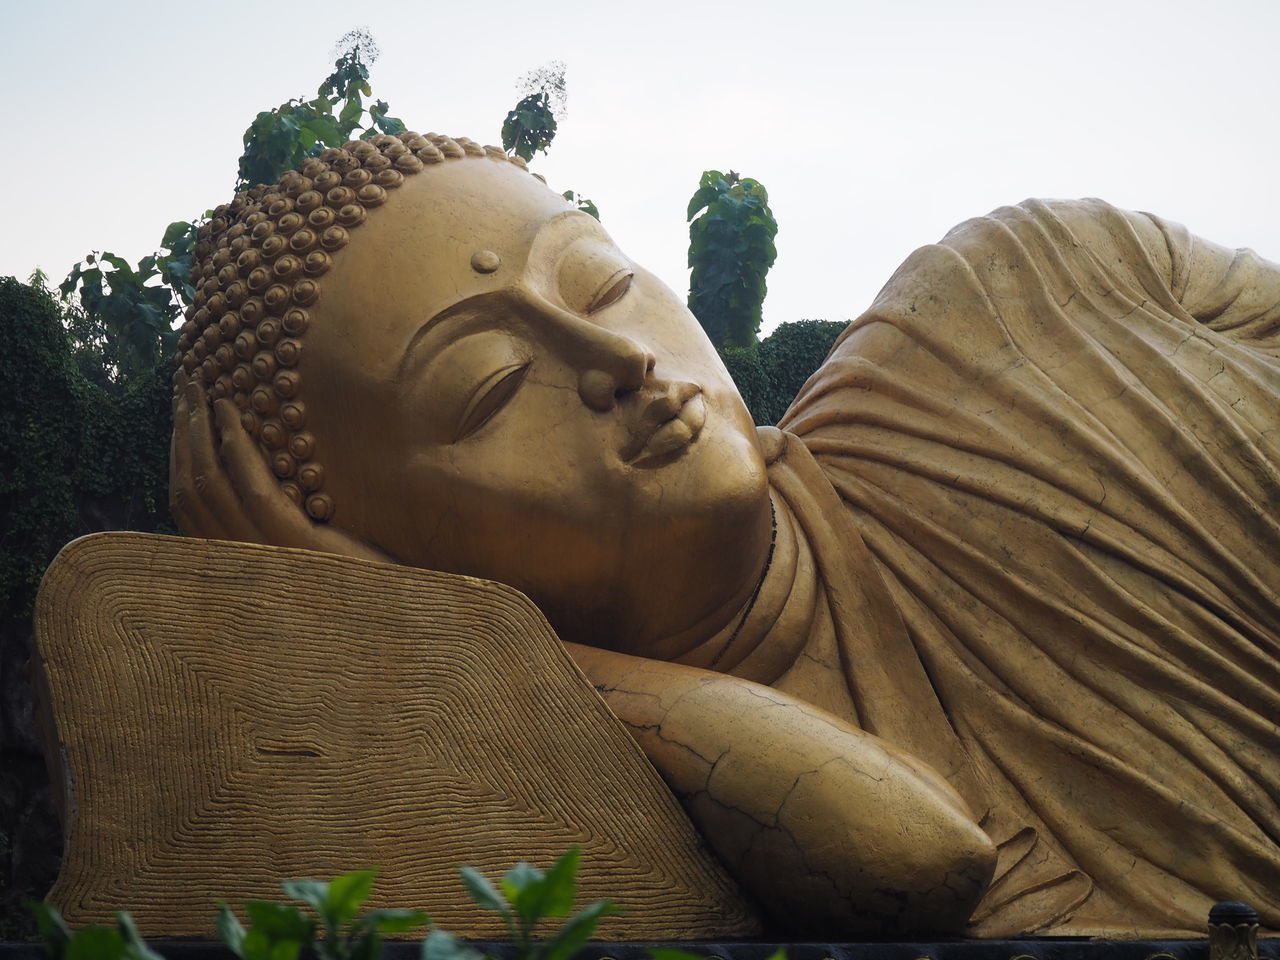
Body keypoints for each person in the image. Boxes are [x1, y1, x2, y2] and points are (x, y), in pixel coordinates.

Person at [170, 132, 1280, 938]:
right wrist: (443, 643)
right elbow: (913, 860)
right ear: (399, 558)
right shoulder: (601, 810)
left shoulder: (1021, 299)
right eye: (489, 387)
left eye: (600, 282)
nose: (616, 364)